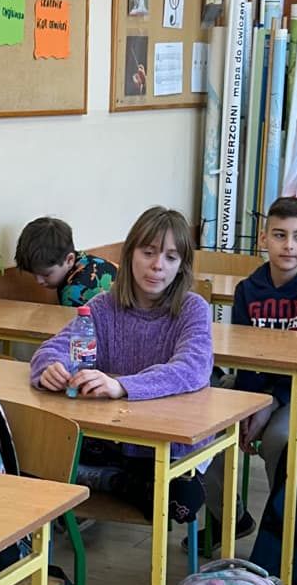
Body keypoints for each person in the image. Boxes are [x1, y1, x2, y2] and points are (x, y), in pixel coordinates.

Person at [29, 206, 213, 517]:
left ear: (182, 266)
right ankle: (113, 480)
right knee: (36, 456)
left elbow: (191, 368)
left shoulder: (192, 308)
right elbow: (57, 346)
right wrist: (49, 367)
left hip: (167, 444)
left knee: (183, 500)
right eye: (148, 252)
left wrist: (122, 386)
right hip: (113, 438)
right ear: (129, 255)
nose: (157, 265)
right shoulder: (103, 306)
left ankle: (102, 480)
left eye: (170, 257)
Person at [203, 195, 297, 533]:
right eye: (279, 235)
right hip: (256, 385)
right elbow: (244, 355)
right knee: (205, 430)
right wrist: (250, 405)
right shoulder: (248, 290)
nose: (289, 245)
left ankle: (282, 531)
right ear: (263, 239)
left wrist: (270, 404)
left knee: (280, 438)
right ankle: (230, 520)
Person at [13, 217, 117, 307]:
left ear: (69, 260)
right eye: (34, 274)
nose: (39, 281)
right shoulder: (86, 259)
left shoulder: (73, 294)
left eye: (46, 274)